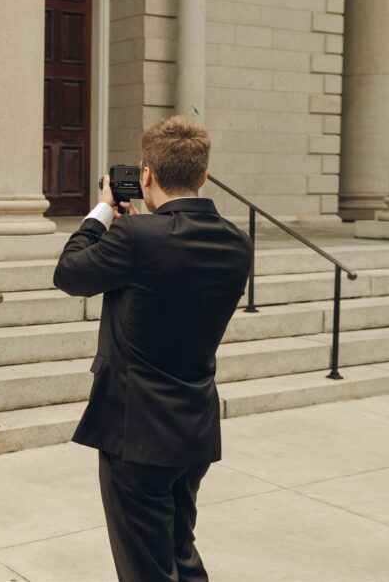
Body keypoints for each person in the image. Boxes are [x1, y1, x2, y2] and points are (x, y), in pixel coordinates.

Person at [53, 117, 252, 582]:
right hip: (194, 426)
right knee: (180, 554)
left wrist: (103, 211)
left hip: (136, 431)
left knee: (144, 569)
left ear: (146, 176)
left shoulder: (135, 239)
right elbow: (172, 273)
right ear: (202, 176)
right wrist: (141, 231)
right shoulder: (237, 242)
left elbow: (69, 272)